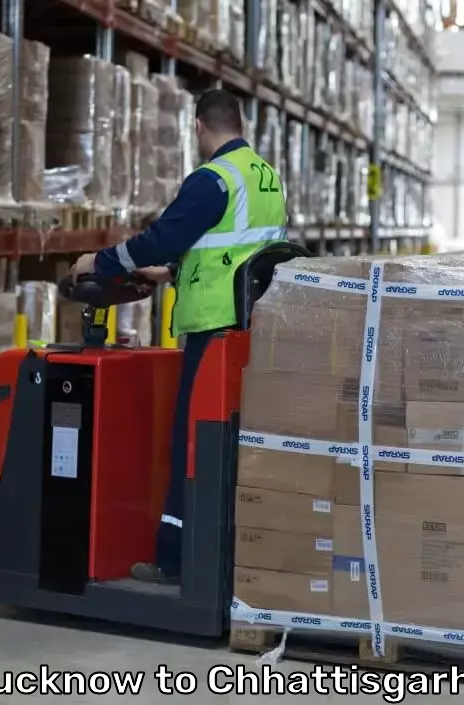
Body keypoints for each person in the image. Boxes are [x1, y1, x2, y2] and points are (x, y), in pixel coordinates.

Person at [70, 89, 288, 585]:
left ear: (198, 127)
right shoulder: (267, 177)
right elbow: (236, 249)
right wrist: (170, 271)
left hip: (212, 329)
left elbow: (163, 236)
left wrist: (99, 262)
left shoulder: (214, 178)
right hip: (250, 328)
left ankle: (174, 559)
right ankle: (227, 551)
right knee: (229, 443)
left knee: (189, 442)